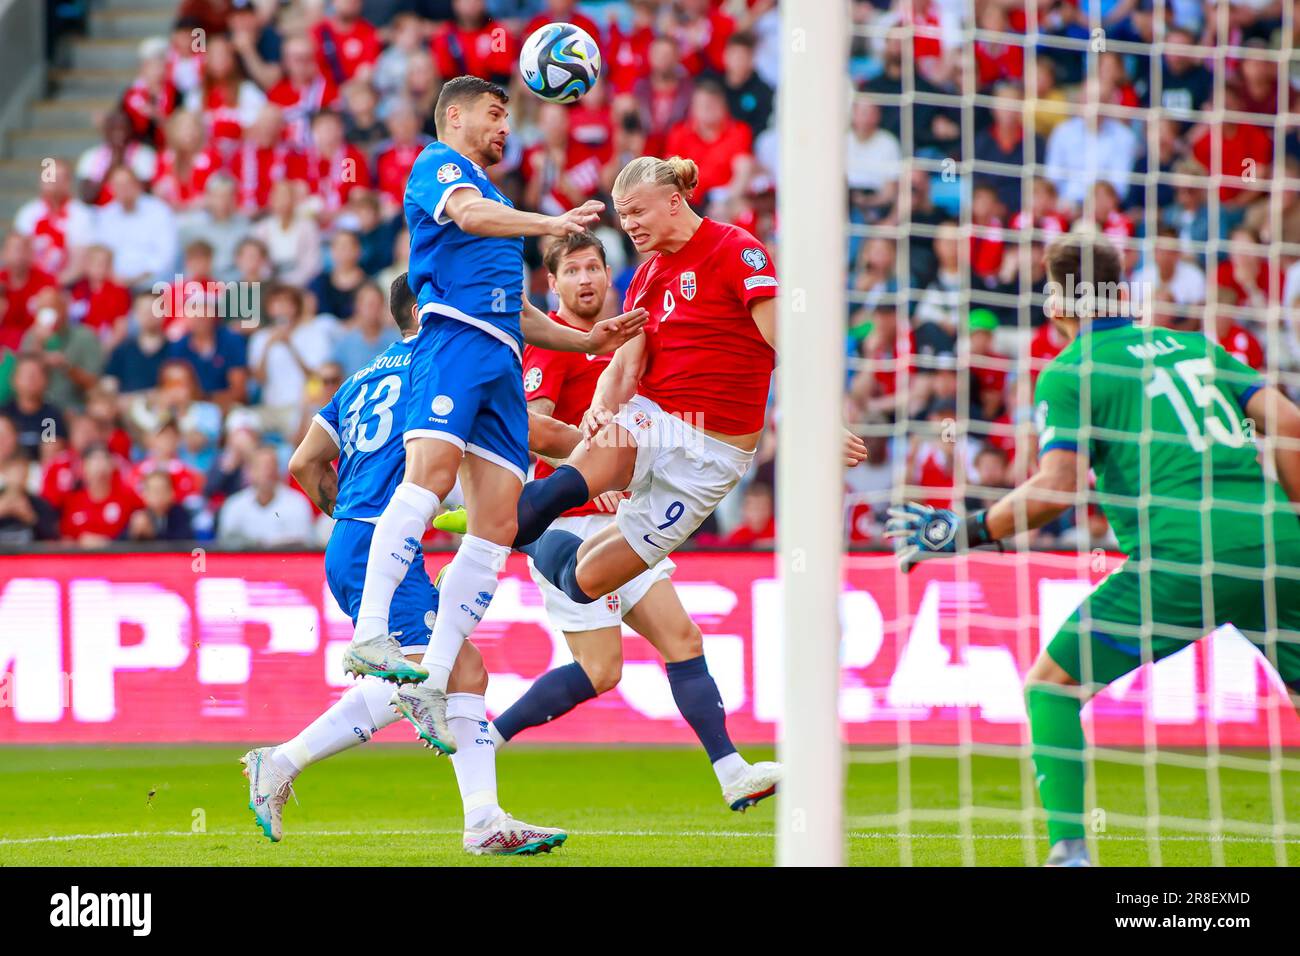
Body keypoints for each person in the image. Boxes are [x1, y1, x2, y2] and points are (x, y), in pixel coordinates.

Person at [884, 234, 1300, 867]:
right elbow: (1291, 426)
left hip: (1183, 558)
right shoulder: (1199, 347)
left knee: (1051, 687)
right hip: (1279, 543)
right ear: (1126, 294)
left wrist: (963, 531)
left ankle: (1072, 852)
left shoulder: (1071, 372)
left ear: (1056, 303)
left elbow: (1057, 488)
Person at [435, 157, 866, 726]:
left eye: (636, 211)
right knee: (568, 484)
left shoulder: (737, 251)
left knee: (583, 582)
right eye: (621, 215)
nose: (629, 225)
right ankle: (452, 622)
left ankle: (515, 538)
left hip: (715, 457)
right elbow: (626, 364)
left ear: (672, 201)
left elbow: (787, 341)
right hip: (659, 416)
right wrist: (597, 410)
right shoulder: (646, 277)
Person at [338, 76, 647, 754]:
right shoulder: (439, 166)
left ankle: (434, 671)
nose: (506, 125)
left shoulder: (500, 202)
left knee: (499, 522)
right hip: (453, 340)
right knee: (430, 473)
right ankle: (368, 633)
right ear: (455, 114)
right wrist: (551, 222)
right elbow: (471, 217)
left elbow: (522, 312)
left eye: (510, 115)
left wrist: (588, 340)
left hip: (501, 357)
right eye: (495, 112)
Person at [256, 271, 570, 854]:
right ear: (435, 307)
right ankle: (281, 762)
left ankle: (484, 821)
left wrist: (347, 514)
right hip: (386, 544)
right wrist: (612, 456)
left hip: (359, 539)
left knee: (451, 673)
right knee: (437, 675)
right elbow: (535, 432)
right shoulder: (443, 367)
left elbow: (303, 462)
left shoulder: (361, 377)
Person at [485, 230, 782, 812]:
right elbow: (535, 428)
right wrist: (602, 463)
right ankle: (487, 735)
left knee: (680, 638)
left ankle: (731, 772)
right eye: (573, 271)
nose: (587, 279)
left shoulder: (625, 334)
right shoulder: (554, 346)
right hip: (568, 522)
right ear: (554, 283)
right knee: (601, 670)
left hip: (621, 510)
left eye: (594, 267)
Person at [215, 444, 314, 547]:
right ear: (250, 471)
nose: (267, 472)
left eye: (272, 466)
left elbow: (303, 542)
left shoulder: (297, 503)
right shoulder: (234, 505)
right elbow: (226, 543)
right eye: (261, 467)